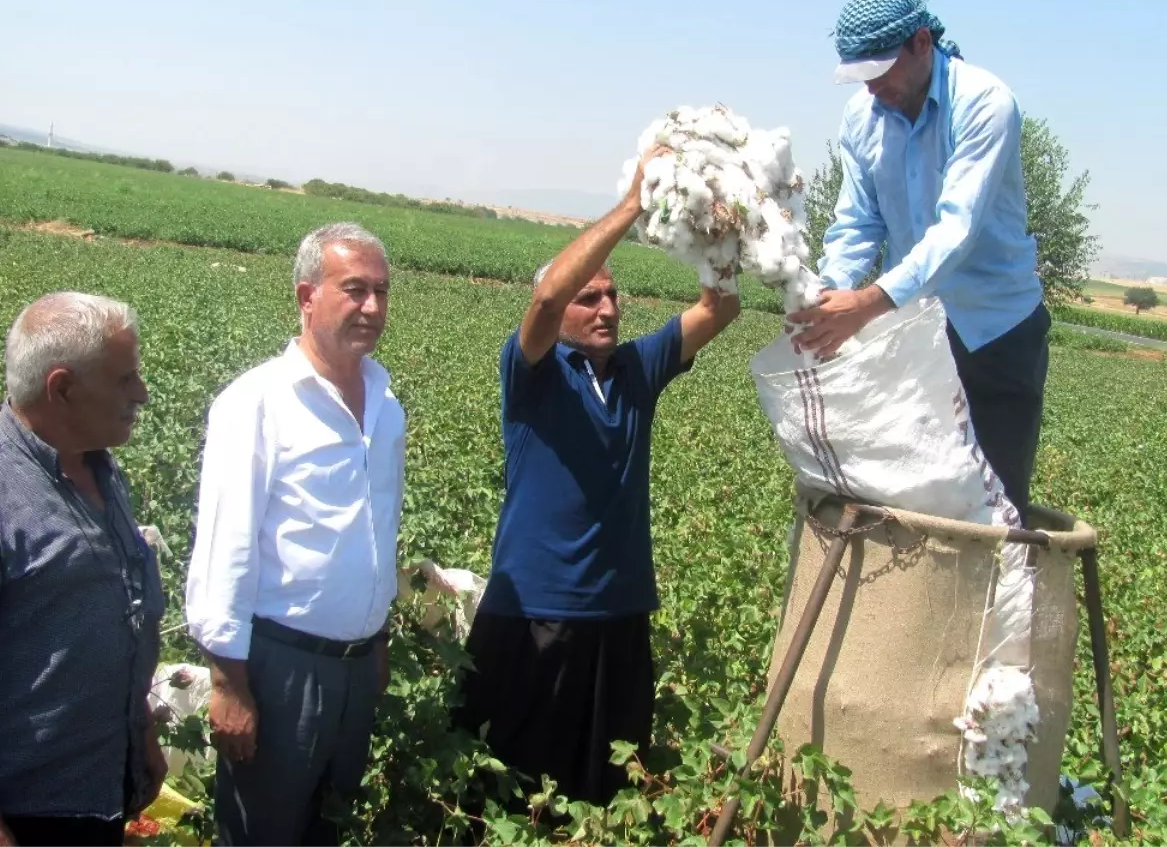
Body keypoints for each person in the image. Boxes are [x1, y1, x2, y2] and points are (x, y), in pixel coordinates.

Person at [454, 146, 742, 807]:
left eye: (613, 295)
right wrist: (634, 203)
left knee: (605, 791)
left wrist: (717, 226)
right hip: (537, 614)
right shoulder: (534, 373)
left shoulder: (639, 369)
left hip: (619, 613)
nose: (607, 308)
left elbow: (720, 308)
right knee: (510, 793)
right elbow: (547, 293)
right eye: (589, 298)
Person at [790, 0, 1050, 524]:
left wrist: (868, 302)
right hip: (914, 330)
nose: (872, 87)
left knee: (995, 508)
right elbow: (858, 220)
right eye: (861, 76)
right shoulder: (861, 119)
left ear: (922, 42)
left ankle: (997, 578)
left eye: (881, 70)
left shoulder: (984, 104)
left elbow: (956, 229)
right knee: (909, 493)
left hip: (996, 330)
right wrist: (828, 291)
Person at [184, 222, 407, 847]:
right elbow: (225, 547)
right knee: (264, 834)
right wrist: (229, 684)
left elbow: (378, 529)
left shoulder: (386, 405)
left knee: (328, 830)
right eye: (355, 289)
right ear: (307, 296)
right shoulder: (257, 403)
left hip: (356, 667)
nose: (372, 307)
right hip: (281, 669)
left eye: (381, 291)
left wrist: (377, 638)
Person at [0, 292, 165, 847]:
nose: (142, 393)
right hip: (31, 807)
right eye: (124, 379)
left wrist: (140, 732)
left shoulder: (99, 466)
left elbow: (118, 614)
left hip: (102, 784)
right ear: (63, 388)